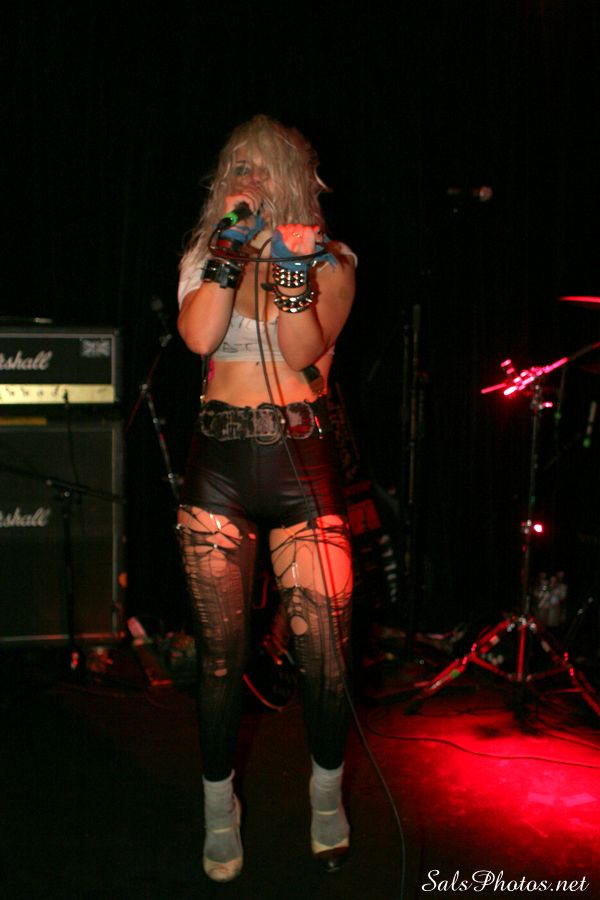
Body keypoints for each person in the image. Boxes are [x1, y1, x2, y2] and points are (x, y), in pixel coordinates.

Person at [176, 113, 356, 882]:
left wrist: (289, 268)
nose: (246, 177)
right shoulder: (204, 255)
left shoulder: (333, 261)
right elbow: (199, 338)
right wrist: (228, 249)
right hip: (218, 464)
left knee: (325, 653)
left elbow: (301, 347)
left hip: (301, 461)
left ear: (290, 177)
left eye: (260, 166)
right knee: (220, 658)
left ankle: (326, 794)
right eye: (236, 166)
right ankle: (220, 811)